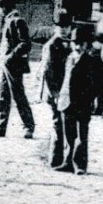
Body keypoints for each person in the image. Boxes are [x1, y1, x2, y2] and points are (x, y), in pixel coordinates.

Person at [0, 0, 34, 139]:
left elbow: (26, 43)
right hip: (7, 65)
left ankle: (28, 126)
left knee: (18, 96)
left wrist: (10, 57)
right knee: (3, 95)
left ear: (6, 7)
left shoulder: (17, 20)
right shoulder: (9, 20)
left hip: (13, 65)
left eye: (1, 7)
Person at [55, 22, 99, 174]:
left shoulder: (91, 60)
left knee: (82, 135)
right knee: (69, 134)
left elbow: (97, 84)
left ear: (87, 45)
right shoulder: (68, 58)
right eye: (75, 44)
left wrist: (91, 100)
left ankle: (80, 165)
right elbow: (63, 78)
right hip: (66, 101)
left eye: (81, 44)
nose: (78, 47)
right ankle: (67, 162)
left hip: (83, 103)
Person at [38, 11, 72, 168]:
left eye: (66, 26)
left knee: (65, 125)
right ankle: (54, 160)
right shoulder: (52, 45)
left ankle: (64, 159)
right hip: (55, 92)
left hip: (66, 91)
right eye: (60, 26)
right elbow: (47, 73)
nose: (63, 29)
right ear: (55, 27)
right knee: (58, 124)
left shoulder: (71, 44)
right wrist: (56, 94)